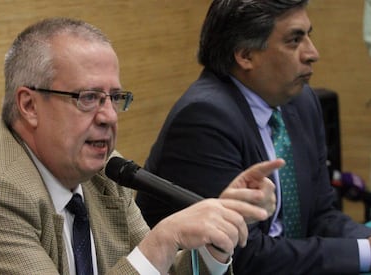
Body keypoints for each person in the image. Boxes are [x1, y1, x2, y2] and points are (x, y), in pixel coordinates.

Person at [0, 17, 282, 275]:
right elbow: (149, 259)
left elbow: (157, 272)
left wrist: (214, 244)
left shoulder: (106, 174)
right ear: (29, 106)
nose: (110, 116)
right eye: (88, 98)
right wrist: (162, 241)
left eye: (115, 98)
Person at [135, 0, 371, 274]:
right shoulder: (204, 118)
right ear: (245, 55)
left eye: (309, 35)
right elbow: (242, 256)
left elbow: (320, 215)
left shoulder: (300, 101)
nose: (312, 53)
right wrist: (365, 252)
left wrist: (364, 243)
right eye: (295, 40)